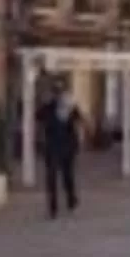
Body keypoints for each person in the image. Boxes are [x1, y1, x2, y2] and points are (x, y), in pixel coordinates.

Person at [36, 85, 84, 217]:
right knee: (51, 177)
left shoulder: (70, 108)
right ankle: (53, 207)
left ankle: (71, 200)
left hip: (67, 147)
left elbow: (79, 121)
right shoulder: (48, 108)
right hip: (52, 147)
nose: (58, 97)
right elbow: (38, 117)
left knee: (67, 176)